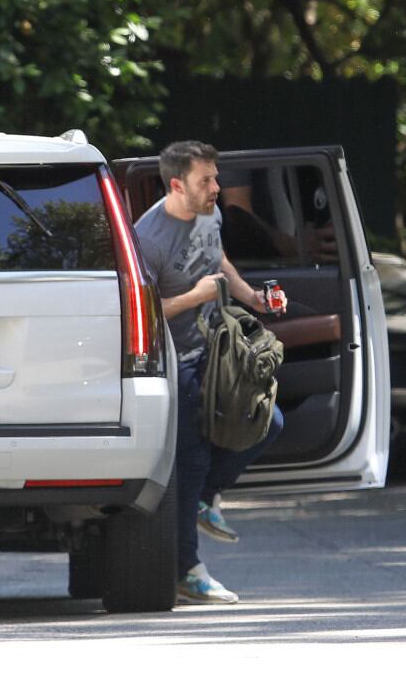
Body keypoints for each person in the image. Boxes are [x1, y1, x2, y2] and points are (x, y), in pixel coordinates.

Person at [135, 140, 285, 605]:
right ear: (177, 185)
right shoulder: (149, 238)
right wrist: (195, 298)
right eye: (206, 180)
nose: (217, 187)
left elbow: (218, 260)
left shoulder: (209, 213)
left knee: (267, 421)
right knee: (192, 459)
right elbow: (142, 311)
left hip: (215, 350)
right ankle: (187, 571)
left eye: (216, 177)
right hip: (172, 360)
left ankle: (205, 498)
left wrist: (253, 298)